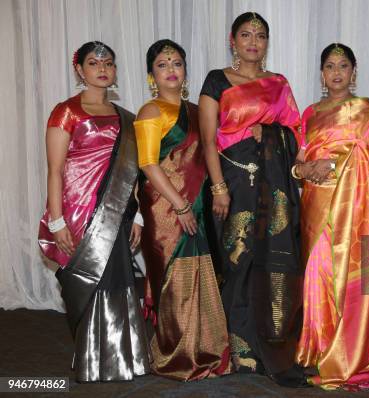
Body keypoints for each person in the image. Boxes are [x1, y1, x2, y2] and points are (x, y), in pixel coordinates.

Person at [198, 12, 305, 386]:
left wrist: (271, 132)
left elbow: (296, 134)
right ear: (233, 40)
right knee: (238, 262)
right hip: (233, 182)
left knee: (271, 264)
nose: (253, 41)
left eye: (260, 35)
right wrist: (218, 188)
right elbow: (208, 140)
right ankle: (240, 347)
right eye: (246, 34)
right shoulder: (217, 80)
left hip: (273, 187)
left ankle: (271, 344)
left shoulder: (278, 84)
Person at [38, 41, 149, 382]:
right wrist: (56, 222)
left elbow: (135, 174)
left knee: (118, 279)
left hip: (118, 211)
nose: (103, 68)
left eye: (109, 63)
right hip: (78, 212)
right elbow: (55, 170)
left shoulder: (125, 118)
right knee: (88, 283)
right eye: (93, 62)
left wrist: (140, 215)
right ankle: (92, 359)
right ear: (80, 70)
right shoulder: (66, 111)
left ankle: (123, 359)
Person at [294, 43, 369, 390]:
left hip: (353, 208)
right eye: (329, 66)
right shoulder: (309, 112)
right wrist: (305, 169)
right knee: (319, 273)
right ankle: (320, 347)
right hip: (316, 204)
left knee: (346, 275)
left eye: (343, 66)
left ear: (354, 72)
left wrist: (336, 163)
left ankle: (350, 350)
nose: (336, 72)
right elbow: (296, 163)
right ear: (321, 73)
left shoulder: (365, 110)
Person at [135, 39, 230, 381]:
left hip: (198, 204)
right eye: (162, 64)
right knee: (174, 284)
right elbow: (147, 164)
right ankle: (175, 357)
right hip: (166, 208)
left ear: (185, 70)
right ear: (151, 75)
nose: (171, 69)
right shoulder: (151, 111)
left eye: (177, 62)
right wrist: (179, 204)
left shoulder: (195, 111)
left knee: (201, 279)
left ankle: (206, 352)